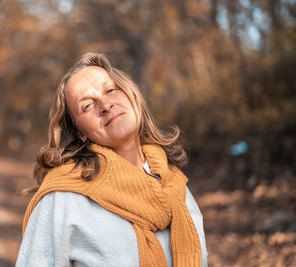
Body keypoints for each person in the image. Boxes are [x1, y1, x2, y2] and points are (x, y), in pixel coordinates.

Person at [16, 53, 208, 267]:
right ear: (80, 132)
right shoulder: (63, 199)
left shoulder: (173, 183)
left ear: (130, 94)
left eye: (110, 90)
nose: (105, 104)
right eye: (87, 106)